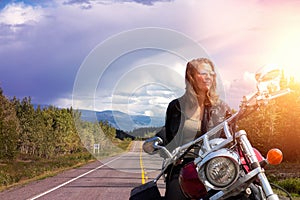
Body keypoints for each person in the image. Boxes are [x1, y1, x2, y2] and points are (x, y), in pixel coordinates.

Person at [156, 58, 231, 200]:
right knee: (174, 195)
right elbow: (169, 137)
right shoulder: (176, 107)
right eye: (203, 73)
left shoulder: (222, 108)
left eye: (211, 73)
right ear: (191, 76)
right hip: (184, 166)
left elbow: (231, 141)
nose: (208, 77)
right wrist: (168, 152)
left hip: (214, 167)